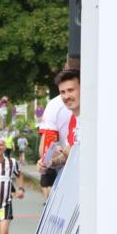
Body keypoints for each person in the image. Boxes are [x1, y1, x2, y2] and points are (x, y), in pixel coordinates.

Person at [37, 70, 77, 200]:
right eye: (62, 92)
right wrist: (50, 162)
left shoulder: (95, 117)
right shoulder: (73, 120)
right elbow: (65, 155)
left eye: (71, 90)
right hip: (72, 184)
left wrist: (64, 152)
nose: (66, 96)